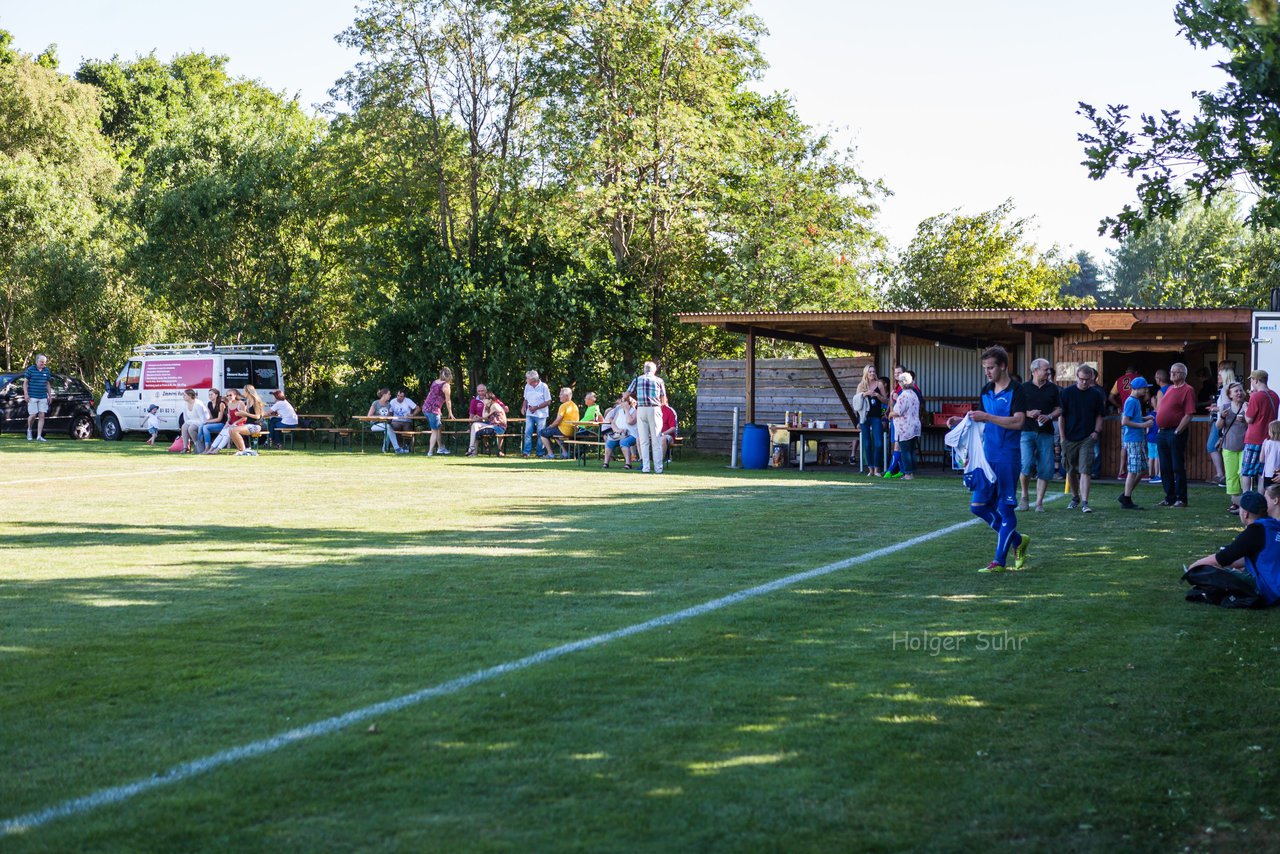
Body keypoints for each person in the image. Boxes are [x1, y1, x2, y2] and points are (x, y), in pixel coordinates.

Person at [955, 345, 1029, 573]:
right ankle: (1018, 540)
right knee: (977, 506)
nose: (987, 372)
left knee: (1005, 509)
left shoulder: (1017, 391)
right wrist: (959, 423)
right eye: (985, 368)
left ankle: (999, 561)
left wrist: (987, 416)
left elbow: (1018, 422)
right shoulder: (986, 390)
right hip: (986, 457)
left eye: (991, 367)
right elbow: (978, 423)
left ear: (1003, 366)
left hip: (1008, 457)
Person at [1182, 490, 1280, 608]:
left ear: (1245, 514)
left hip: (1272, 590)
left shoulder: (1255, 531)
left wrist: (1194, 567)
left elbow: (1223, 558)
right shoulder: (1273, 526)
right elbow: (1255, 557)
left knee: (1209, 573)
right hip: (1275, 583)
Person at [1058, 364, 1106, 514]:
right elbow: (1061, 416)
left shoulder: (1096, 394)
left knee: (1085, 470)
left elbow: (1100, 415)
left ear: (1092, 378)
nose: (1084, 382)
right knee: (1071, 470)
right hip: (1069, 437)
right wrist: (1062, 437)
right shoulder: (1067, 393)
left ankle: (1085, 502)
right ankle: (1075, 497)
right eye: (1081, 379)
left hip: (1087, 437)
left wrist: (1096, 432)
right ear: (1076, 378)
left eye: (1087, 379)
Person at [1018, 358, 1062, 512]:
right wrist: (1028, 413)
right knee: (1026, 465)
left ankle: (1039, 503)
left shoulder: (1053, 389)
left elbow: (1059, 409)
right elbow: (1014, 410)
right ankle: (1024, 497)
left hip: (1046, 433)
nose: (1049, 372)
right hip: (1026, 431)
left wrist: (1049, 416)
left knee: (1045, 468)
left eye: (1049, 369)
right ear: (1035, 371)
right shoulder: (1022, 388)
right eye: (1046, 369)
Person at [1155, 362, 1197, 507]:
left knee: (1177, 466)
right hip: (1163, 432)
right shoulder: (1170, 389)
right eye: (1171, 371)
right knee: (1165, 467)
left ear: (1184, 375)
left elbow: (1189, 414)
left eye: (1176, 372)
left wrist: (1178, 431)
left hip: (1175, 432)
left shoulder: (1188, 390)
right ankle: (1169, 497)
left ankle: (1181, 498)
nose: (1172, 374)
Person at [626, 361, 669, 474]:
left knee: (644, 440)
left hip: (641, 409)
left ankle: (646, 467)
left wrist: (634, 399)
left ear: (644, 369)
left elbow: (626, 394)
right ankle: (658, 468)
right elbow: (663, 400)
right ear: (654, 370)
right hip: (654, 409)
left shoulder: (637, 379)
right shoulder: (659, 381)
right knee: (656, 440)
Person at [1240, 369, 1280, 495]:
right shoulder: (1274, 395)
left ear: (1256, 380)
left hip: (1254, 439)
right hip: (1269, 438)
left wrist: (1246, 408)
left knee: (1246, 471)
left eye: (1251, 380)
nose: (1251, 382)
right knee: (1262, 473)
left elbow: (1249, 419)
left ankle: (1247, 500)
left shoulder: (1256, 397)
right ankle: (1261, 501)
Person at [1118, 377, 1155, 509]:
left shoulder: (1135, 401)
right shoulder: (1131, 402)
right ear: (1138, 389)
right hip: (1133, 439)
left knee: (1144, 469)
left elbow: (1134, 418)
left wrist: (1145, 418)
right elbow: (1125, 421)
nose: (1146, 390)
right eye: (1144, 388)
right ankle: (1126, 499)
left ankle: (1125, 495)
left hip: (1138, 439)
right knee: (1133, 470)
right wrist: (1144, 424)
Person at [853, 364, 888, 476]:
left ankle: (877, 468)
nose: (872, 373)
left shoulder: (879, 384)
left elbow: (886, 401)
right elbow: (856, 402)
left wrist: (877, 395)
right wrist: (865, 394)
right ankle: (870, 469)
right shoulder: (861, 385)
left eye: (873, 371)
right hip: (864, 417)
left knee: (878, 443)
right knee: (867, 444)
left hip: (876, 417)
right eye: (870, 372)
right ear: (866, 373)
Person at [1218, 382, 1247, 514]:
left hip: (1245, 445)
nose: (1239, 393)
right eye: (1236, 391)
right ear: (1230, 395)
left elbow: (1253, 423)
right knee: (1231, 475)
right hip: (1228, 446)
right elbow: (1218, 426)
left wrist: (1246, 420)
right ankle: (1235, 502)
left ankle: (1245, 502)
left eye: (1240, 390)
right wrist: (1223, 417)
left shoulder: (1247, 406)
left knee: (1242, 473)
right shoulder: (1225, 407)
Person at [1205, 364, 1236, 485]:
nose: (1217, 377)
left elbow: (1227, 407)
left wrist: (1215, 409)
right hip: (1224, 422)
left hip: (1221, 421)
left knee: (1212, 446)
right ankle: (1224, 476)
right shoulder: (1228, 388)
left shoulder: (1225, 389)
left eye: (1219, 375)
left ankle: (1221, 475)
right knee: (1223, 447)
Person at [1108, 364, 1141, 479]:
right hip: (1136, 412)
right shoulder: (1138, 379)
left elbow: (1111, 397)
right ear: (1135, 372)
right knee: (1137, 441)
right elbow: (1146, 396)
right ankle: (1137, 470)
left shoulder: (1119, 380)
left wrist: (1119, 405)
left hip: (1124, 412)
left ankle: (1121, 471)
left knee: (1125, 443)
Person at [888, 371, 921, 480]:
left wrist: (890, 414)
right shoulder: (914, 394)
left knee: (905, 451)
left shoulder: (903, 395)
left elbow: (898, 412)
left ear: (902, 383)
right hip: (915, 426)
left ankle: (907, 473)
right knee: (911, 450)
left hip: (905, 427)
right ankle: (912, 472)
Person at [421, 368, 456, 456]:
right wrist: (450, 413)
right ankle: (430, 452)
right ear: (449, 376)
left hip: (426, 408)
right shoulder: (446, 385)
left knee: (438, 427)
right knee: (435, 431)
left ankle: (440, 447)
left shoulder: (435, 382)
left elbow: (431, 395)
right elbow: (448, 401)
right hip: (434, 410)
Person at [539, 387, 580, 459]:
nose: (559, 396)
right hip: (573, 431)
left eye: (561, 394)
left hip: (564, 430)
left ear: (567, 396)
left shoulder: (563, 406)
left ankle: (550, 454)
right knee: (555, 434)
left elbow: (558, 421)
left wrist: (550, 426)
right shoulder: (574, 405)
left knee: (542, 433)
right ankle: (565, 453)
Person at [521, 370, 553, 458]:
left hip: (541, 415)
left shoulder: (543, 386)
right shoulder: (527, 386)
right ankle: (526, 452)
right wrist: (523, 407)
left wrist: (536, 407)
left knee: (540, 433)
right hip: (529, 414)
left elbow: (548, 402)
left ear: (533, 379)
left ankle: (540, 453)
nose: (526, 380)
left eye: (527, 378)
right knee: (527, 432)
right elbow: (525, 399)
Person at [466, 390, 509, 456]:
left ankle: (472, 451)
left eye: (485, 399)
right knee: (475, 425)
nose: (483, 400)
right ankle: (471, 449)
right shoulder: (489, 406)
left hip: (499, 427)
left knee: (477, 429)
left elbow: (484, 416)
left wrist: (484, 407)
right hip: (492, 425)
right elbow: (484, 417)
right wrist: (484, 408)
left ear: (490, 399)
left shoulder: (494, 405)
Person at [602, 394, 638, 469]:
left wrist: (627, 410)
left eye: (623, 402)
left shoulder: (634, 411)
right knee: (609, 442)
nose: (621, 404)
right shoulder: (619, 411)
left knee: (623, 442)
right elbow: (613, 423)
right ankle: (606, 463)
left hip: (632, 435)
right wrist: (618, 430)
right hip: (620, 434)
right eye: (621, 402)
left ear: (628, 403)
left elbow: (629, 421)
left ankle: (628, 464)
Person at [368, 388, 408, 454]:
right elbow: (369, 416)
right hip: (375, 424)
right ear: (384, 395)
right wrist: (380, 417)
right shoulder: (375, 403)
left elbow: (388, 417)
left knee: (389, 428)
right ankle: (397, 449)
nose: (390, 395)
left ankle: (384, 449)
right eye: (389, 394)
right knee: (389, 427)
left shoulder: (388, 404)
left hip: (385, 424)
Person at [22, 354, 52, 442]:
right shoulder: (30, 370)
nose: (43, 364)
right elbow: (25, 383)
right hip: (32, 396)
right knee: (33, 415)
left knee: (42, 415)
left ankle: (39, 436)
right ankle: (29, 430)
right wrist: (26, 394)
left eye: (44, 362)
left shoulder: (46, 370)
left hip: (43, 396)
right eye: (41, 362)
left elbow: (47, 384)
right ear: (36, 362)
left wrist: (50, 395)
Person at [229, 385, 266, 455]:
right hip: (248, 424)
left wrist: (245, 413)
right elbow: (247, 415)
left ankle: (243, 451)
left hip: (256, 425)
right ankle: (241, 450)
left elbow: (258, 416)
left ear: (248, 392)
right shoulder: (248, 401)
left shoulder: (256, 402)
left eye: (244, 391)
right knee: (230, 430)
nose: (243, 393)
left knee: (234, 430)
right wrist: (241, 414)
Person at [180, 388, 210, 453]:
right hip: (191, 421)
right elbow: (185, 418)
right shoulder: (185, 404)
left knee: (191, 428)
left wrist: (201, 425)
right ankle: (185, 447)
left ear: (190, 395)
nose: (183, 397)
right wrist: (187, 423)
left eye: (185, 395)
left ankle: (197, 445)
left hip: (200, 421)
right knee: (184, 427)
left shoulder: (198, 404)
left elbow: (202, 418)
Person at [1262, 420, 1280, 489]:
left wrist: (1263, 446)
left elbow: (1262, 459)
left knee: (1268, 493)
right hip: (1278, 472)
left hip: (1268, 473)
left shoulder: (1267, 443)